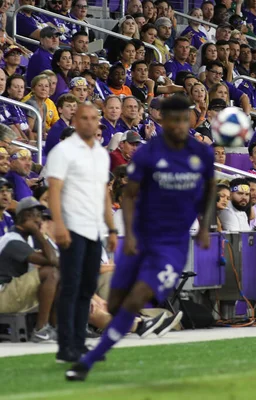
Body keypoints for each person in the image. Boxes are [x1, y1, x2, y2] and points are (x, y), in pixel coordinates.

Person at [66, 95, 215, 381]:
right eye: (175, 119)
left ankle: (90, 360)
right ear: (163, 121)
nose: (181, 125)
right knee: (115, 303)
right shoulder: (148, 153)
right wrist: (131, 233)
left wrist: (205, 227)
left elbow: (209, 192)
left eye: (186, 119)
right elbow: (129, 195)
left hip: (172, 246)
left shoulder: (202, 154)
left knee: (135, 299)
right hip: (143, 236)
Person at [47, 103, 118, 364]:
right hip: (72, 226)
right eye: (84, 118)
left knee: (87, 287)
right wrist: (59, 225)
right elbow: (54, 190)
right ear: (75, 121)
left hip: (94, 229)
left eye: (93, 119)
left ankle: (79, 341)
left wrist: (110, 228)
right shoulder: (63, 151)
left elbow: (104, 194)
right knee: (71, 287)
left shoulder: (100, 153)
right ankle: (66, 346)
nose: (89, 123)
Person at [0, 197, 59, 342]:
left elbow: (55, 260)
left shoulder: (25, 238)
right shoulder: (13, 240)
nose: (40, 221)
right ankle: (40, 330)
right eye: (37, 216)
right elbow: (52, 260)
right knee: (50, 273)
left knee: (60, 275)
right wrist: (39, 233)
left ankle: (54, 328)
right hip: (2, 294)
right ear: (26, 216)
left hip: (11, 292)